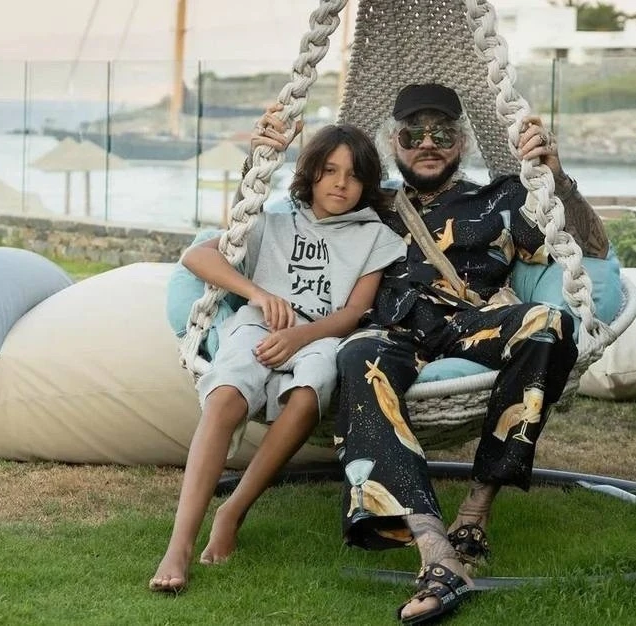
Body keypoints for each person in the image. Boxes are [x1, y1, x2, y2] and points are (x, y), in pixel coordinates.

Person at [253, 85, 610, 623]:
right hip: (388, 329)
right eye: (412, 134)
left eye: (441, 134)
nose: (427, 143)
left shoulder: (503, 199)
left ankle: (475, 511)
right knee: (358, 357)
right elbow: (281, 221)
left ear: (461, 142)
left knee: (549, 323)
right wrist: (262, 159)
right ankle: (436, 550)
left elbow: (591, 249)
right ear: (393, 143)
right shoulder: (368, 201)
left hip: (469, 325)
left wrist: (557, 179)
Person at [149, 114, 407, 592]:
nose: (341, 183)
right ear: (311, 174)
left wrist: (300, 338)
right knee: (226, 396)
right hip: (258, 324)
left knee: (307, 397)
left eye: (353, 176)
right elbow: (197, 256)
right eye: (330, 171)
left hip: (321, 336)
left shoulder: (376, 237)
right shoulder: (275, 219)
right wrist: (258, 294)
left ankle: (232, 511)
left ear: (367, 184)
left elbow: (354, 313)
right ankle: (179, 544)